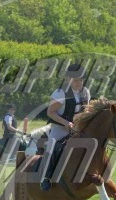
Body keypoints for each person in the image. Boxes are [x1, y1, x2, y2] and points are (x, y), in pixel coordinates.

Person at [40, 63, 91, 191]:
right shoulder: (60, 93)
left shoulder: (85, 92)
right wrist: (66, 123)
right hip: (60, 128)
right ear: (68, 79)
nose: (79, 83)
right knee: (52, 146)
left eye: (81, 80)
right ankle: (46, 178)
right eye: (76, 80)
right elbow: (50, 112)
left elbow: (86, 112)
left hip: (78, 129)